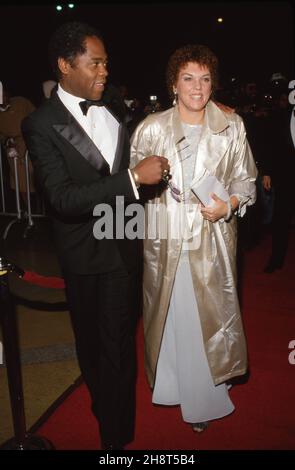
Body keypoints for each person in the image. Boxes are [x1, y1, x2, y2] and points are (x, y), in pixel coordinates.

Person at [22, 21, 169, 450]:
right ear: (65, 65)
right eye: (96, 63)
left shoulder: (116, 104)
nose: (105, 71)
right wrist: (131, 179)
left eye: (106, 62)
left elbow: (149, 129)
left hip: (125, 244)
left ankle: (116, 440)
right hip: (84, 254)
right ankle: (106, 408)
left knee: (119, 345)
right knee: (92, 346)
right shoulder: (40, 123)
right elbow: (63, 199)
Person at [130, 44, 257, 432]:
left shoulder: (230, 125)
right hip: (165, 240)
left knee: (208, 319)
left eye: (204, 79)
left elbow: (245, 177)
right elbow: (132, 185)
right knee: (173, 316)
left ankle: (205, 398)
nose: (197, 87)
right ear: (174, 83)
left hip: (212, 239)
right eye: (188, 78)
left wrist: (230, 204)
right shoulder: (151, 127)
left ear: (212, 83)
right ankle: (173, 386)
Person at [0, 86, 36, 206]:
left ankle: (42, 209)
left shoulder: (21, 102)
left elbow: (35, 117)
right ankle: (29, 209)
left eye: (5, 95)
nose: (4, 98)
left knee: (35, 178)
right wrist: (6, 141)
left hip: (30, 145)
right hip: (13, 149)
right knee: (19, 181)